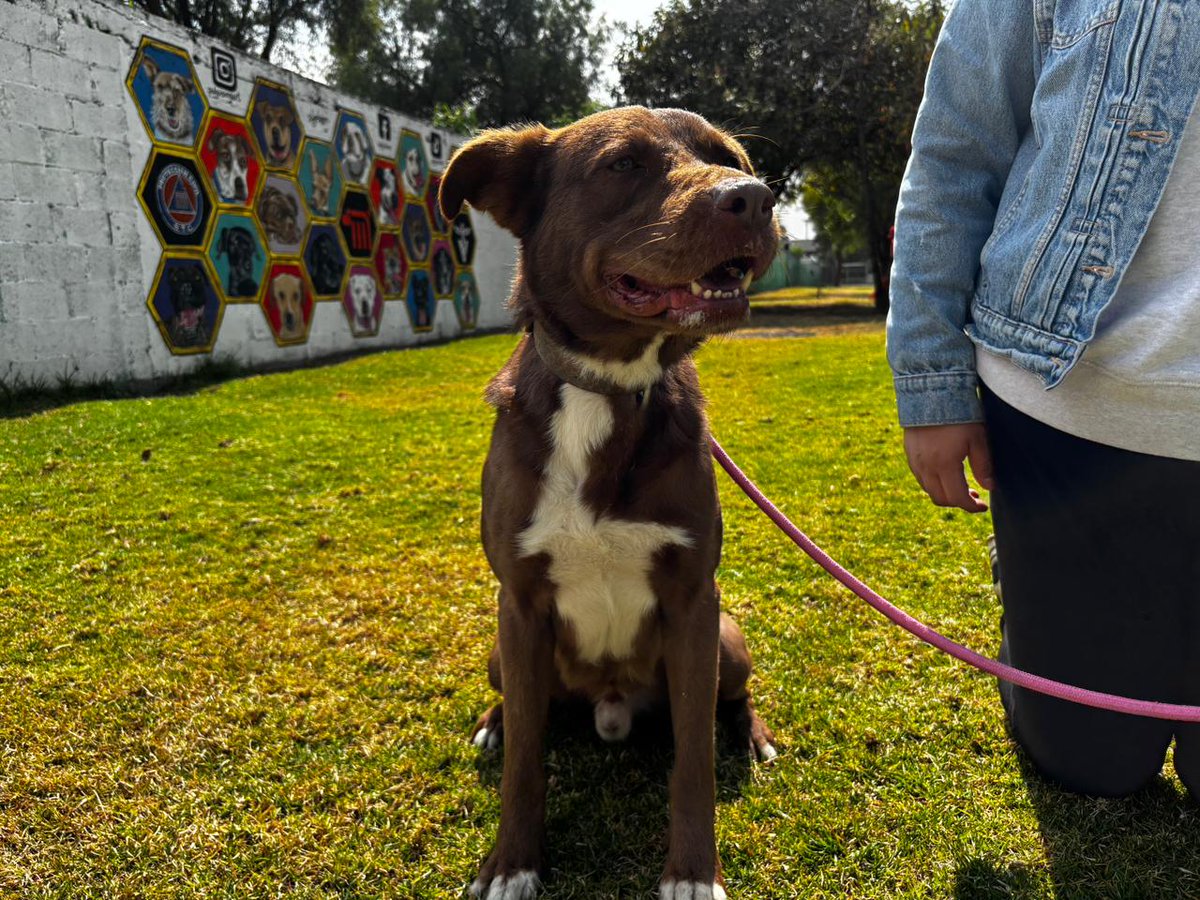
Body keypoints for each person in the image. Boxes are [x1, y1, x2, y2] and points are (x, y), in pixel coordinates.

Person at [887, 0, 1200, 799]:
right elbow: (955, 155)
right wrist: (934, 387)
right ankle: (1034, 589)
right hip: (1066, 410)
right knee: (1090, 764)